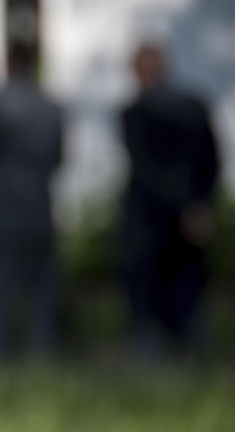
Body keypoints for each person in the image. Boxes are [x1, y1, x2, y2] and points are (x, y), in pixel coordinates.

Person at [120, 43, 219, 355]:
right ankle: (193, 358)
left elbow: (146, 167)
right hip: (189, 216)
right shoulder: (194, 105)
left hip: (149, 218)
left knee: (148, 299)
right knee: (187, 294)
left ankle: (154, 363)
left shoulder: (135, 112)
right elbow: (212, 160)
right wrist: (198, 204)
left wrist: (180, 205)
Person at [0, 41, 63, 360]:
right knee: (42, 288)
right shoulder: (51, 107)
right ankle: (42, 352)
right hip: (39, 203)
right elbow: (58, 158)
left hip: (2, 204)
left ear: (10, 63)